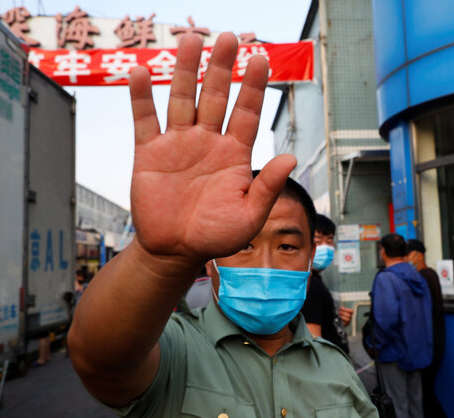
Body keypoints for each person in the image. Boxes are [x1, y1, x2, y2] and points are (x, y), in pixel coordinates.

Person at [67, 33, 376, 417]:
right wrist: (160, 257)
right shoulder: (171, 349)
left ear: (310, 258)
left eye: (287, 247)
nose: (265, 265)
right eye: (243, 244)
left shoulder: (338, 369)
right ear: (210, 260)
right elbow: (99, 358)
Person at [369, 234, 433, 418]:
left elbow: (386, 319)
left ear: (383, 251)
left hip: (393, 352)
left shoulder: (386, 279)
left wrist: (376, 346)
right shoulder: (418, 277)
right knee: (415, 405)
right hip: (417, 350)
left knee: (397, 406)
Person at [406, 239, 447, 418]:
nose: (405, 258)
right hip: (434, 343)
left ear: (418, 255)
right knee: (425, 393)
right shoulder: (431, 274)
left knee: (425, 394)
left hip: (429, 346)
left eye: (407, 254)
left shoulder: (422, 277)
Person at [300, 214, 352, 352]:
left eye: (329, 240)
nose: (326, 246)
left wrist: (335, 320)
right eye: (318, 240)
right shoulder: (310, 285)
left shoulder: (316, 279)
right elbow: (314, 345)